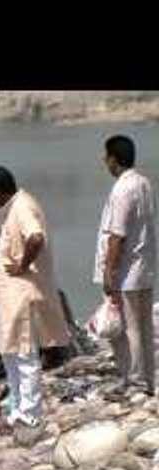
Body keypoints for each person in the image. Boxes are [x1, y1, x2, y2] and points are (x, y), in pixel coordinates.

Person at [0, 165, 70, 427]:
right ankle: (18, 407)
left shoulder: (22, 207)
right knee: (10, 352)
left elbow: (36, 238)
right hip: (11, 298)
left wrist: (22, 265)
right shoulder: (14, 207)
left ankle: (30, 413)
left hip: (23, 296)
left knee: (24, 354)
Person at [93, 135, 157, 395]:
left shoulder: (122, 189)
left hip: (126, 273)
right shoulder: (144, 183)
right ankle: (147, 380)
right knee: (143, 327)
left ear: (114, 160)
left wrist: (109, 271)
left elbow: (117, 235)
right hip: (144, 269)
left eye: (106, 157)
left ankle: (134, 382)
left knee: (127, 329)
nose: (104, 162)